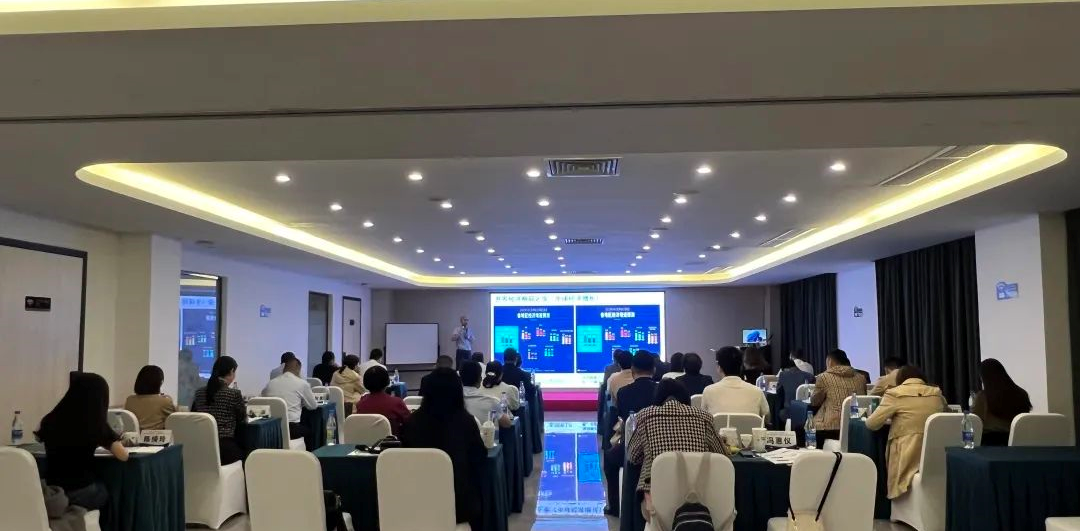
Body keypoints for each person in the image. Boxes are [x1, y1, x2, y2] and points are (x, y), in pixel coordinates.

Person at [628, 379, 729, 519]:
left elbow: (632, 456)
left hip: (656, 503)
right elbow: (722, 455)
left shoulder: (645, 416)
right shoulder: (704, 417)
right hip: (701, 498)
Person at [400, 367, 487, 530]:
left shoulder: (412, 422)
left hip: (417, 502)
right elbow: (479, 458)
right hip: (458, 506)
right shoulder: (466, 422)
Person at [36, 373, 129, 511]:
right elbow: (123, 456)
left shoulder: (50, 419)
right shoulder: (96, 424)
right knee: (108, 489)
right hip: (81, 491)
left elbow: (41, 438)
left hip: (53, 491)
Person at [866, 365, 947, 499]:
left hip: (907, 454)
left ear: (900, 379)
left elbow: (872, 424)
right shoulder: (937, 393)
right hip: (935, 454)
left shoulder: (894, 394)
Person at [603, 351, 658, 517]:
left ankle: (615, 507)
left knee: (610, 459)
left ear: (633, 370)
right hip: (658, 446)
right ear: (654, 370)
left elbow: (623, 420)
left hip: (632, 445)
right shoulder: (660, 390)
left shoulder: (623, 392)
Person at [191, 356, 247, 465]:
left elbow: (193, 415)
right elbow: (242, 419)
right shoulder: (233, 394)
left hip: (201, 447)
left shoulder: (199, 393)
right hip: (225, 449)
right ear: (231, 371)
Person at [810, 349, 868, 446]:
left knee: (804, 428)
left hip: (830, 428)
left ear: (830, 362)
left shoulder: (823, 377)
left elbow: (815, 402)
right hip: (855, 426)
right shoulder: (861, 378)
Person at [972, 358, 1032, 446]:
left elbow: (975, 420)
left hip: (989, 443)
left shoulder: (983, 397)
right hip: (1017, 442)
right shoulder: (1022, 394)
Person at [702, 346, 770, 420]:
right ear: (741, 366)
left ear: (719, 367)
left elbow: (704, 419)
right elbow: (766, 418)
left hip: (718, 428)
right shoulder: (757, 391)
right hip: (749, 428)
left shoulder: (708, 391)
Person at [262, 358, 318, 439]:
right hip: (292, 429)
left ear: (284, 369)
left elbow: (262, 398)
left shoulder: (270, 383)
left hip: (271, 429)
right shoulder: (302, 384)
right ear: (298, 369)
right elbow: (313, 406)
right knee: (312, 431)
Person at [355, 366, 411, 436]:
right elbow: (410, 423)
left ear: (365, 383)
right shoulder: (397, 403)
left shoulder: (361, 404)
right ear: (387, 381)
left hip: (367, 441)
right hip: (392, 442)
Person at [460, 361, 512, 427]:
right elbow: (507, 424)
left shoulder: (451, 401)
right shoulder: (492, 402)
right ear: (480, 379)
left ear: (460, 378)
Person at [124, 365, 177, 430]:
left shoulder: (130, 400)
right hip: (156, 436)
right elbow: (175, 419)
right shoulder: (165, 401)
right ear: (160, 382)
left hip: (134, 436)